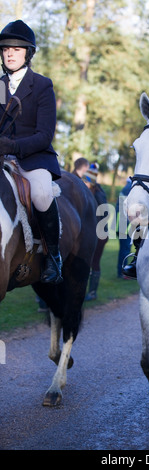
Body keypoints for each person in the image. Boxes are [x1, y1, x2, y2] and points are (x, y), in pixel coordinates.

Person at [0, 20, 62, 284]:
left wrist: (13, 147)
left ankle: (53, 256)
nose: (10, 53)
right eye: (5, 49)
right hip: (3, 157)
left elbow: (44, 134)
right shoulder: (0, 86)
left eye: (16, 48)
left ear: (28, 53)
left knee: (40, 193)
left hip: (32, 157)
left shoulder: (42, 85)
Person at [82, 164, 108, 300]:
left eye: (85, 181)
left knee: (94, 262)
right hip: (94, 233)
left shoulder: (98, 194)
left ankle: (92, 293)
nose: (84, 184)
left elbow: (103, 215)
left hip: (100, 234)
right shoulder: (92, 193)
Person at [116, 178, 132, 278]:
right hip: (125, 224)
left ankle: (121, 271)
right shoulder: (130, 188)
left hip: (121, 224)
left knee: (124, 249)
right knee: (125, 249)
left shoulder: (126, 188)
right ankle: (123, 272)